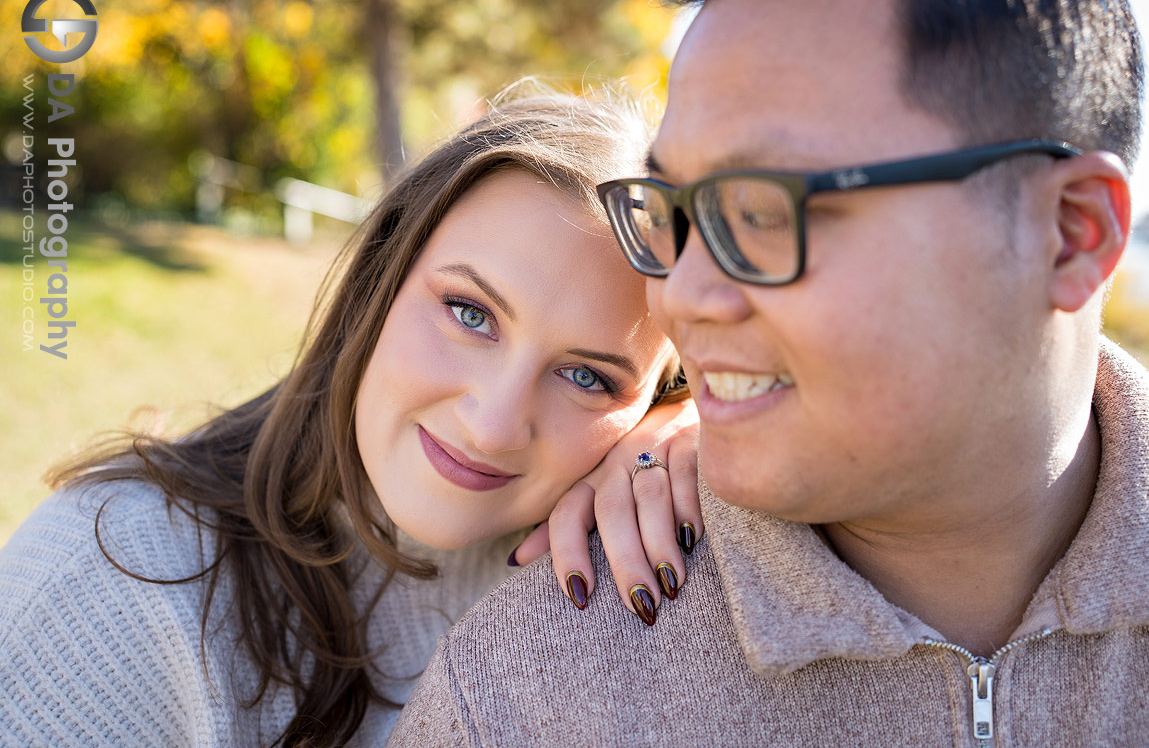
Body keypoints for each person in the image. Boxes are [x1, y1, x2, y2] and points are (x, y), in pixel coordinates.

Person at [389, 0, 1149, 744]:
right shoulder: (525, 698)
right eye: (674, 215)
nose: (681, 295)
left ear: (1069, 233)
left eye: (758, 210)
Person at [0, 90, 704, 747]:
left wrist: (687, 430)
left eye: (588, 376)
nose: (493, 425)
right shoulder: (107, 580)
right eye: (469, 312)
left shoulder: (636, 556)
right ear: (380, 277)